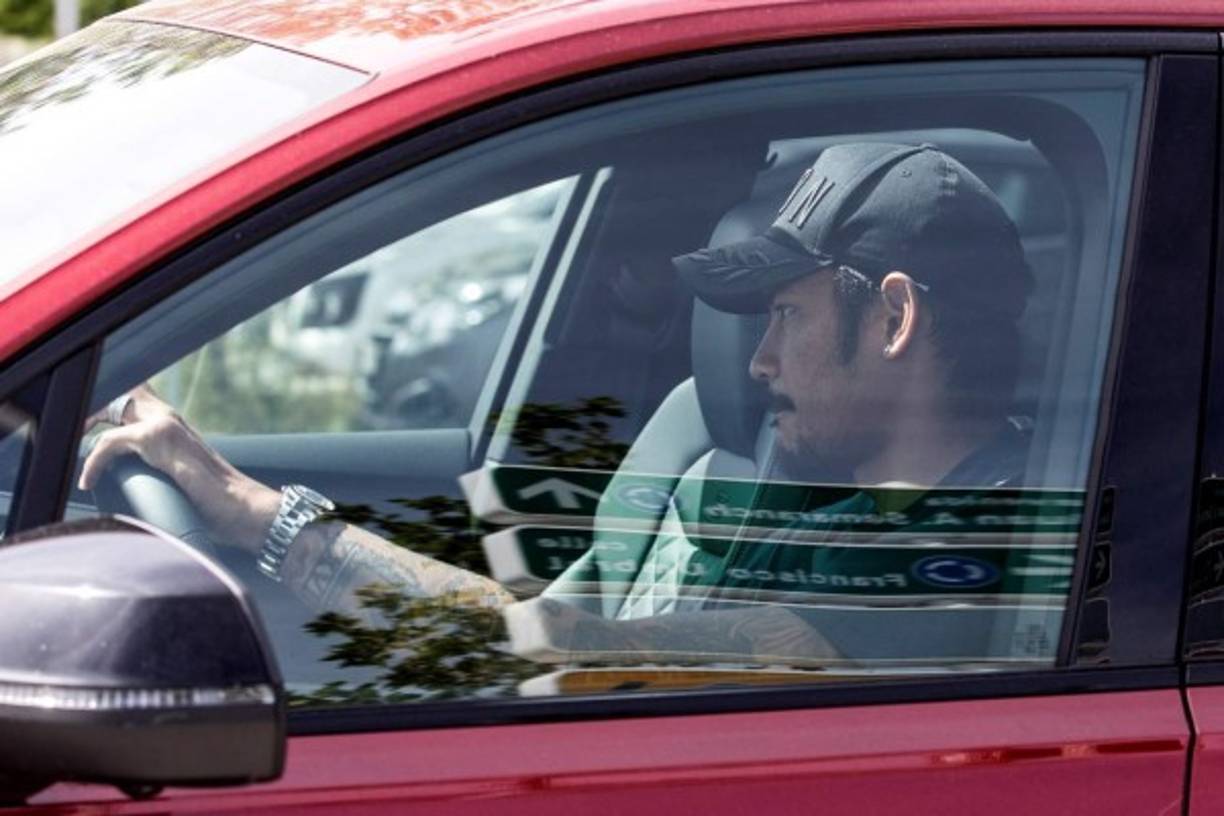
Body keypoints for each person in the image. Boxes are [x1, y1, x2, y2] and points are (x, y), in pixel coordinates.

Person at [78, 141, 1032, 665]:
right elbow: (549, 616)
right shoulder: (817, 489)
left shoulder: (946, 562)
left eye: (787, 316)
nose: (760, 363)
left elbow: (564, 653)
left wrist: (251, 512)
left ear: (896, 316)